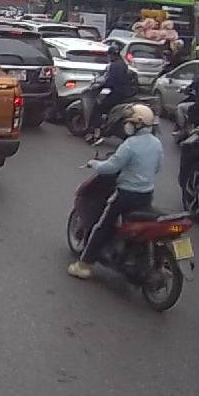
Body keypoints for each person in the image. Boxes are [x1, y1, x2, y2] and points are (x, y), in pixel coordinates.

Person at [68, 104, 163, 280]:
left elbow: (111, 167)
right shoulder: (156, 143)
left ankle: (84, 265)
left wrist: (94, 164)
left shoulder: (130, 145)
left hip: (126, 195)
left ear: (138, 124)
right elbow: (158, 167)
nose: (127, 125)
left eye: (130, 122)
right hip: (146, 195)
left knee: (102, 227)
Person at [89, 43, 132, 144]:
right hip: (123, 92)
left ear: (112, 55)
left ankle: (97, 133)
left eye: (109, 55)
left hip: (117, 93)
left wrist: (100, 86)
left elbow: (111, 82)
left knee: (98, 108)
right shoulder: (122, 63)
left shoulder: (114, 65)